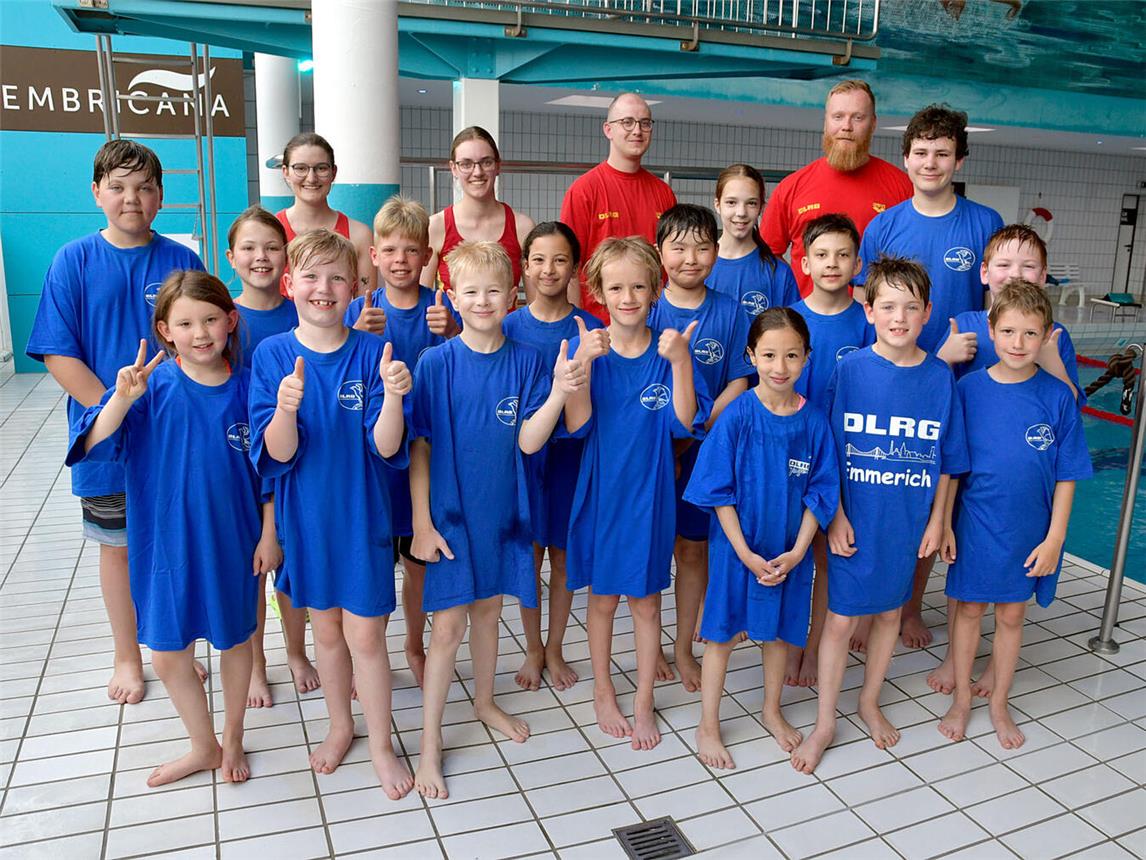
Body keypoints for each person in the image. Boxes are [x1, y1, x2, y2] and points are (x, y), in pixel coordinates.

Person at [67, 271, 276, 786]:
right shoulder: (149, 389)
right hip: (164, 546)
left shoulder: (250, 388)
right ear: (165, 330)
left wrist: (271, 535)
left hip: (234, 542)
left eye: (210, 319)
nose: (200, 332)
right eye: (185, 323)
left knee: (236, 643)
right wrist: (120, 398)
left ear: (231, 321)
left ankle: (232, 736)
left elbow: (274, 471)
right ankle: (202, 745)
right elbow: (92, 440)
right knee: (165, 655)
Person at [26, 139, 205, 707]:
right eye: (120, 186)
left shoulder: (182, 261)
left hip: (176, 438)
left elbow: (209, 344)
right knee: (119, 547)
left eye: (145, 187)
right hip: (105, 437)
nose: (133, 198)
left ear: (160, 197)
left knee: (178, 540)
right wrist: (115, 408)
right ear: (97, 193)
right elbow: (58, 352)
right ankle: (128, 654)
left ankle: (175, 647)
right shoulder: (73, 261)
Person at [409, 241, 583, 799]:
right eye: (470, 292)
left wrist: (558, 392)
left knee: (488, 615)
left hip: (505, 515)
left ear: (511, 296)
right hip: (452, 517)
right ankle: (430, 746)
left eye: (492, 291)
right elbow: (420, 449)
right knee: (448, 629)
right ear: (451, 298)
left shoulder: (528, 363)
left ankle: (484, 702)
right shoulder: (436, 363)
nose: (482, 301)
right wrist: (421, 523)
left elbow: (531, 441)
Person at [249, 229, 414, 798]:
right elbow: (279, 453)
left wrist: (393, 396)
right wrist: (285, 411)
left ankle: (384, 744)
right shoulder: (272, 355)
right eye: (312, 277)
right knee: (325, 632)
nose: (324, 288)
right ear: (290, 284)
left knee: (366, 637)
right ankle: (341, 726)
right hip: (307, 522)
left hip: (363, 518)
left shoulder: (373, 353)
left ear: (357, 287)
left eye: (338, 277)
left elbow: (389, 447)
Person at [791, 257, 968, 775]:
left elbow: (948, 461)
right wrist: (836, 515)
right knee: (842, 619)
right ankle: (826, 720)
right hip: (855, 517)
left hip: (907, 520)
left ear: (927, 313)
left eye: (911, 307)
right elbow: (827, 451)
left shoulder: (939, 377)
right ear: (868, 311)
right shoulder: (848, 371)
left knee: (890, 613)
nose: (899, 316)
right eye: (887, 305)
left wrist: (940, 520)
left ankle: (869, 700)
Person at [856, 104, 1003, 652]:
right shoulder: (885, 225)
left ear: (959, 158)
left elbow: (1001, 304)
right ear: (906, 158)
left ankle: (912, 606)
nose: (931, 162)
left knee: (934, 493)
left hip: (961, 382)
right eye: (921, 152)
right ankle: (877, 600)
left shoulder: (983, 223)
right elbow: (864, 306)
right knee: (889, 490)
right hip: (899, 376)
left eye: (943, 153)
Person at [564, 237, 711, 751]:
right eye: (616, 287)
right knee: (602, 602)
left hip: (650, 497)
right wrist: (580, 366)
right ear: (599, 293)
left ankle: (644, 699)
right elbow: (578, 423)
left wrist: (681, 364)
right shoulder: (594, 352)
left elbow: (685, 423)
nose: (628, 296)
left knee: (647, 605)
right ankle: (604, 690)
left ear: (655, 291)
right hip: (602, 494)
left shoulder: (667, 350)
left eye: (638, 286)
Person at [927, 225, 1084, 697]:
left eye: (1028, 264)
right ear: (984, 272)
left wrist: (1052, 355)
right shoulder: (966, 322)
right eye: (1005, 263)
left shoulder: (1053, 335)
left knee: (1009, 592)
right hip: (970, 480)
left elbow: (1068, 405)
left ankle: (995, 672)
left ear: (1044, 274)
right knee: (965, 585)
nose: (1014, 273)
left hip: (1020, 487)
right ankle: (957, 661)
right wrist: (945, 355)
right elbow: (930, 389)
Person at [685, 308, 838, 768]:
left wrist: (797, 550)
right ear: (751, 356)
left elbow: (820, 492)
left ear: (807, 358)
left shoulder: (812, 423)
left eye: (791, 355)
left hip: (788, 554)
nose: (779, 366)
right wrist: (745, 553)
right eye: (769, 355)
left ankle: (771, 709)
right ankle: (708, 723)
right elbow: (718, 492)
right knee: (722, 635)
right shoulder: (737, 417)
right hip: (738, 552)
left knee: (777, 636)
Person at [344, 195, 449, 687]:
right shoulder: (357, 311)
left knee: (416, 563)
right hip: (369, 463)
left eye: (411, 250)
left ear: (427, 257)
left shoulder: (442, 311)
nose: (401, 260)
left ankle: (412, 643)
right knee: (370, 563)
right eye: (390, 250)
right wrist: (353, 331)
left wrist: (451, 333)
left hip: (424, 457)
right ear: (374, 256)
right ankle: (369, 652)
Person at [648, 204, 754, 692]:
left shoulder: (730, 311)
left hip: (705, 450)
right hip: (650, 453)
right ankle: (648, 649)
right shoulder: (646, 307)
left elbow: (738, 380)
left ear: (716, 251)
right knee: (651, 550)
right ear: (659, 251)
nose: (691, 257)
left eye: (701, 246)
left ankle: (683, 648)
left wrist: (696, 425)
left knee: (692, 553)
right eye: (679, 246)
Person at [503, 222, 605, 692]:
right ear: (524, 267)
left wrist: (586, 358)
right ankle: (531, 647)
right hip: (521, 464)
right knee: (529, 555)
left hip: (571, 460)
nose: (548, 269)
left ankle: (557, 646)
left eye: (560, 260)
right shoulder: (506, 327)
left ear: (575, 268)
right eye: (538, 259)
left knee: (562, 559)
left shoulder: (591, 330)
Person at [227, 207, 319, 708]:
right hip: (237, 453)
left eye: (271, 247)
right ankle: (257, 662)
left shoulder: (300, 308)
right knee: (252, 567)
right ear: (231, 257)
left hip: (291, 456)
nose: (260, 257)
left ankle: (297, 652)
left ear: (286, 258)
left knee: (287, 559)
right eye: (249, 248)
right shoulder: (226, 316)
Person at [788, 213, 874, 686]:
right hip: (794, 453)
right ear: (804, 261)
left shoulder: (866, 323)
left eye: (843, 255)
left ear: (858, 262)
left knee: (827, 557)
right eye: (822, 255)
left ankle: (817, 647)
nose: (832, 264)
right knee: (794, 551)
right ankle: (790, 644)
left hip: (844, 456)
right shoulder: (788, 318)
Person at [761, 80, 913, 297]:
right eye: (838, 116)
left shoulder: (901, 187)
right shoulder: (792, 187)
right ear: (826, 122)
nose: (846, 126)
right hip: (803, 323)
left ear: (873, 123)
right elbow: (767, 258)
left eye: (858, 117)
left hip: (876, 325)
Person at [560, 93, 677, 322]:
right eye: (627, 122)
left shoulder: (664, 193)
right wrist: (580, 327)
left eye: (645, 123)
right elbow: (571, 270)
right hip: (600, 326)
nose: (637, 130)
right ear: (608, 130)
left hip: (653, 326)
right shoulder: (584, 191)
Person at [422, 126, 535, 304]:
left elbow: (536, 306)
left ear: (498, 166)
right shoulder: (436, 227)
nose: (477, 172)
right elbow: (422, 303)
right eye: (466, 164)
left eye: (486, 162)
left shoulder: (522, 227)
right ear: (453, 168)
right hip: (452, 332)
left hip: (506, 331)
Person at [276, 132, 375, 295]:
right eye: (301, 168)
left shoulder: (359, 235)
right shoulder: (272, 232)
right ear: (286, 172)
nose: (311, 178)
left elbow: (364, 308)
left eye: (321, 168)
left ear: (333, 172)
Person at [708, 164, 800, 319]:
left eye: (751, 203)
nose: (741, 213)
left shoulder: (778, 272)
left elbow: (793, 332)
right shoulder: (700, 267)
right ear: (717, 205)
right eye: (731, 202)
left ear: (761, 208)